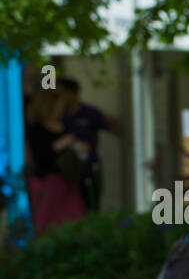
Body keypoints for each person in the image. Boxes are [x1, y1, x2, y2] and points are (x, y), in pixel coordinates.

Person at [24, 88, 86, 234]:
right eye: (58, 106)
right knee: (45, 225)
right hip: (46, 184)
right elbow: (40, 157)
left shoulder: (64, 126)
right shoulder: (36, 129)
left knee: (74, 222)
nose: (61, 110)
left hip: (67, 182)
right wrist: (60, 145)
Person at [60, 79, 121, 211]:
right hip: (66, 172)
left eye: (64, 93)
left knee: (92, 205)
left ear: (73, 93)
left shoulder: (89, 113)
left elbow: (114, 129)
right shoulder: (60, 115)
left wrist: (113, 120)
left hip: (89, 167)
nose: (61, 97)